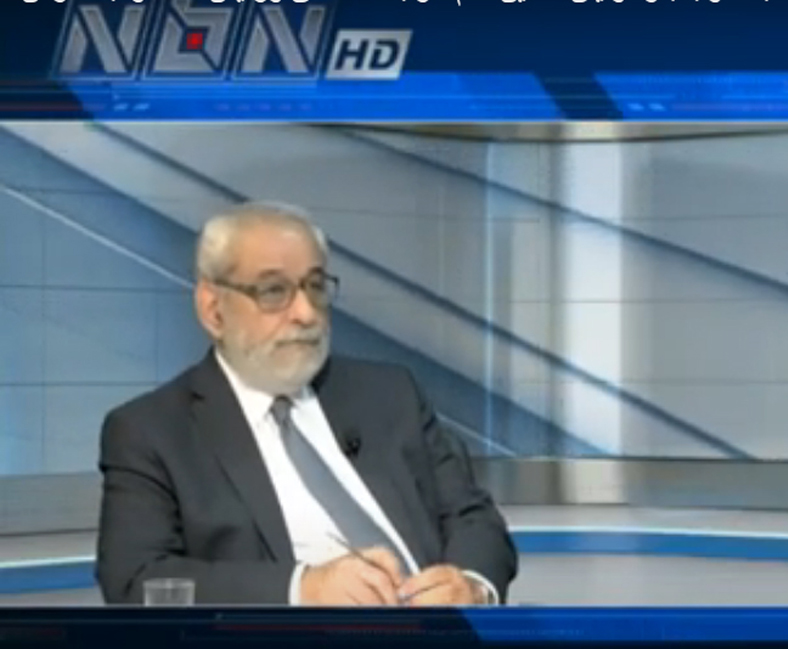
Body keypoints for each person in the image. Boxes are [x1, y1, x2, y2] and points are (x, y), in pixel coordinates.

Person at [95, 201, 518, 606]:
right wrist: (302, 589)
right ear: (213, 310)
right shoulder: (151, 432)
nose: (306, 313)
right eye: (274, 291)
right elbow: (137, 577)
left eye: (315, 287)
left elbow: (472, 517)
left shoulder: (390, 394)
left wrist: (472, 586)